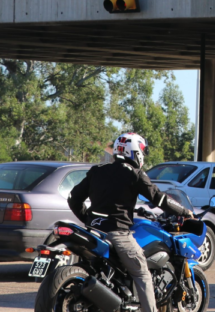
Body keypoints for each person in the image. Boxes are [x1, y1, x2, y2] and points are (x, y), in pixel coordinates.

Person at [68, 133, 193, 312]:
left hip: (92, 231)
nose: (143, 153)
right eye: (142, 150)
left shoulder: (98, 170)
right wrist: (184, 211)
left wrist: (89, 219)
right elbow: (159, 198)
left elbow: (73, 198)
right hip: (117, 234)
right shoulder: (134, 174)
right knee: (142, 273)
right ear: (134, 152)